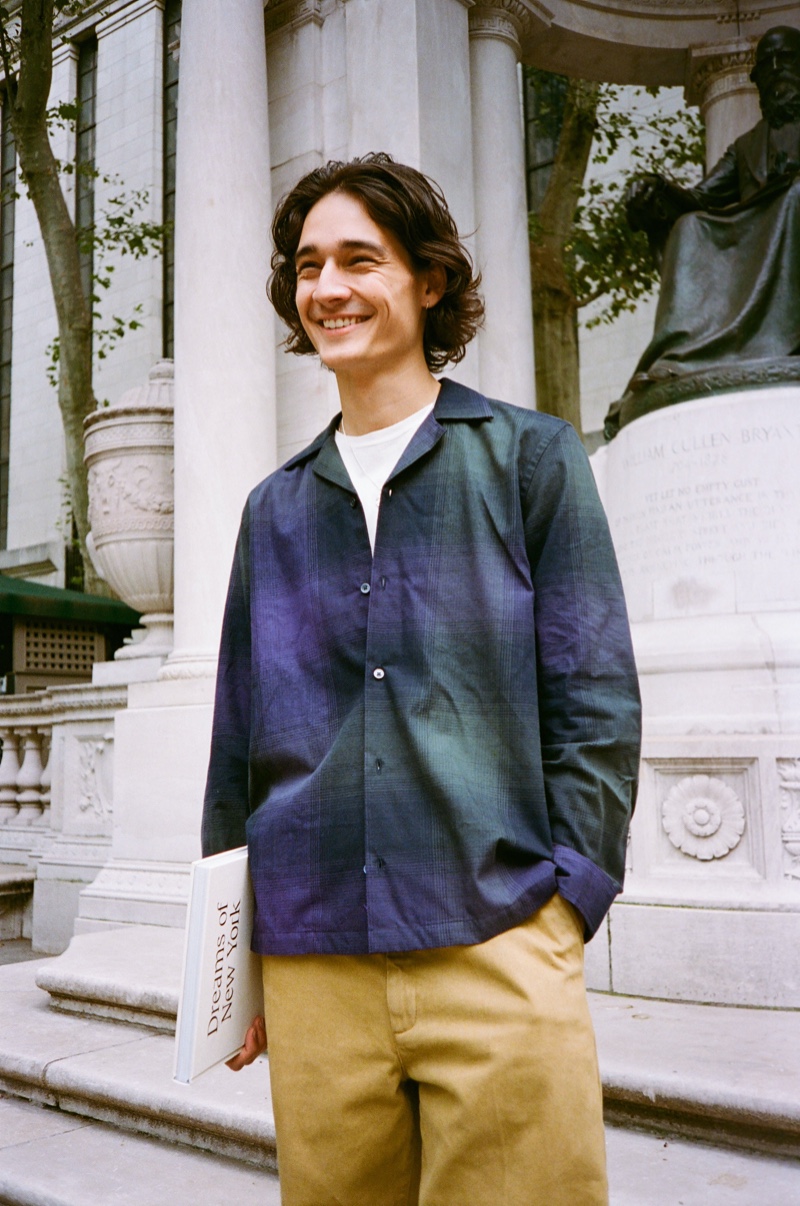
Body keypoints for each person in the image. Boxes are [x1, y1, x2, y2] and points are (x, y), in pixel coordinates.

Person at [202, 153, 641, 1206]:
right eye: (308, 265)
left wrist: (564, 904)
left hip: (496, 940)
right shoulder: (272, 509)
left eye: (360, 258)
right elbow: (236, 740)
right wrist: (232, 969)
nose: (327, 288)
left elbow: (594, 696)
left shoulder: (531, 460)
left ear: (427, 281)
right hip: (312, 968)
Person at [607, 25, 800, 436]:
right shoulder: (746, 146)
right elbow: (701, 199)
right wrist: (658, 191)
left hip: (793, 222)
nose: (778, 71)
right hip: (754, 238)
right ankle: (682, 350)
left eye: (787, 62)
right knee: (691, 227)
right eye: (768, 67)